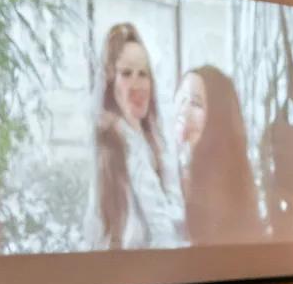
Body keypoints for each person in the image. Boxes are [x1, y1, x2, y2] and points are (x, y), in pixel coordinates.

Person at [88, 22, 184, 250]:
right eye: (126, 73)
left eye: (143, 74)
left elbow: (174, 219)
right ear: (111, 82)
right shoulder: (108, 147)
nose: (137, 84)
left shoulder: (154, 143)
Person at [175, 66, 262, 245]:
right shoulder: (169, 169)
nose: (184, 112)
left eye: (196, 103)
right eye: (181, 100)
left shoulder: (221, 187)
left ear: (218, 116)